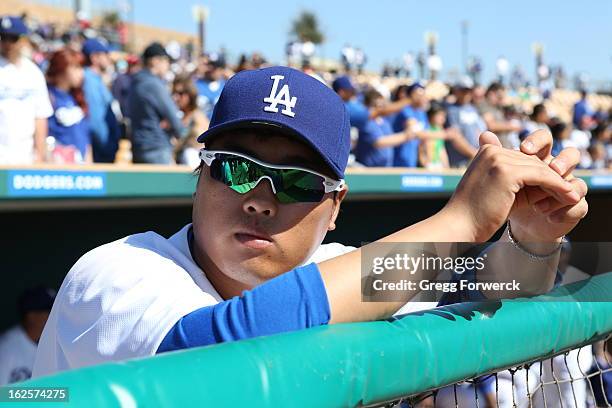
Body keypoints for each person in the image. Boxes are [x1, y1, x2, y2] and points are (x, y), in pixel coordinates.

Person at [33, 66, 587, 377]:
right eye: (237, 169)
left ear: (335, 206)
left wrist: (533, 240)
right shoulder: (116, 270)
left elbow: (493, 291)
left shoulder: (335, 269)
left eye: (297, 181)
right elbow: (213, 352)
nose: (260, 200)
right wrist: (459, 221)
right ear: (199, 178)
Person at [0, 15, 53, 164]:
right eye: (3, 37)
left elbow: (41, 116)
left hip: (25, 157)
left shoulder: (33, 73)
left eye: (13, 38)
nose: (7, 43)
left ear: (23, 40)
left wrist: (40, 155)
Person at [128, 42, 183, 164]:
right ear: (155, 61)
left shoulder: (134, 81)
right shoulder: (153, 84)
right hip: (156, 147)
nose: (167, 65)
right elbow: (173, 116)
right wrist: (182, 136)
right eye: (165, 61)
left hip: (138, 147)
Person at [0, 286, 56, 385]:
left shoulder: (54, 344)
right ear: (31, 315)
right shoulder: (6, 348)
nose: (54, 315)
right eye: (49, 311)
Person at [392, 83, 455, 167]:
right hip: (400, 159)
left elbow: (425, 136)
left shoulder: (421, 113)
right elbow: (416, 132)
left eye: (423, 94)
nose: (423, 97)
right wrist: (445, 134)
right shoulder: (405, 110)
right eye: (419, 94)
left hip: (413, 160)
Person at [46, 49, 91, 164]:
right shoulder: (48, 97)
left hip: (82, 166)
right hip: (59, 169)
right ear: (61, 68)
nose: (81, 73)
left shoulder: (77, 98)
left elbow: (86, 138)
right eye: (76, 68)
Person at [82, 38, 120, 163]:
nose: (109, 59)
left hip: (106, 148)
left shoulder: (96, 79)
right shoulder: (89, 81)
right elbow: (95, 119)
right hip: (101, 150)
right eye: (105, 54)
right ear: (94, 57)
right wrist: (107, 146)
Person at [354, 88, 411, 167]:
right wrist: (407, 135)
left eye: (382, 105)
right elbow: (379, 142)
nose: (380, 109)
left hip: (385, 169)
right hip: (368, 171)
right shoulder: (366, 123)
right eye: (376, 106)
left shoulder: (385, 122)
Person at [445, 76, 487, 167]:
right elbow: (455, 137)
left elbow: (480, 131)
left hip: (475, 160)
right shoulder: (451, 111)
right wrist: (474, 153)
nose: (466, 94)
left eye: (469, 91)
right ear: (456, 91)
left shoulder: (473, 109)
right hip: (461, 162)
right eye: (463, 90)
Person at [172, 76, 209, 167]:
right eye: (174, 93)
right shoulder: (179, 116)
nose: (176, 97)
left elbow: (201, 144)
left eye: (180, 93)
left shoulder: (198, 117)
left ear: (190, 94)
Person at [479, 82, 522, 149]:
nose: (501, 99)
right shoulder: (484, 105)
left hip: (505, 146)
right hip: (495, 148)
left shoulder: (497, 107)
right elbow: (491, 126)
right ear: (491, 94)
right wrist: (511, 126)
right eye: (499, 96)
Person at [419, 103, 450, 169]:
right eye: (440, 115)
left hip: (439, 164)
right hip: (428, 165)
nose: (442, 118)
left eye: (444, 116)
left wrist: (446, 166)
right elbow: (421, 149)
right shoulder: (426, 128)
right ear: (432, 115)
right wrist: (424, 163)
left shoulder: (440, 130)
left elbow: (441, 150)